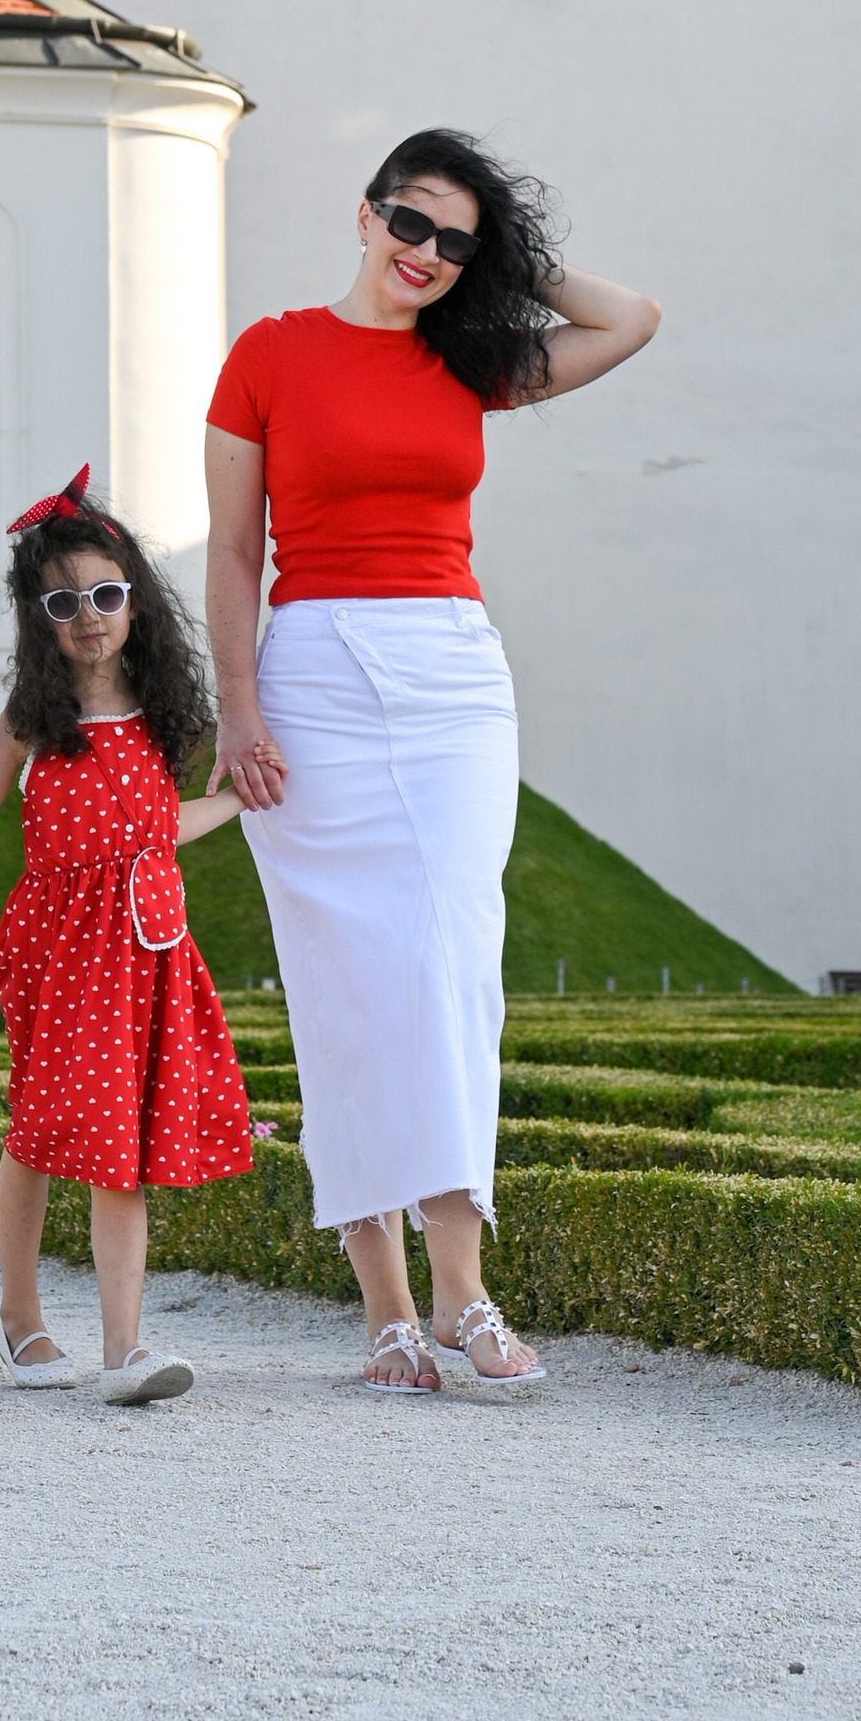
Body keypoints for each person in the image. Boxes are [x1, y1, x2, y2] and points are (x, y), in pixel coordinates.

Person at [205, 132, 660, 1396]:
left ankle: (463, 1290)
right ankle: (386, 1310)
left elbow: (632, 318)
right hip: (308, 670)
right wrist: (238, 710)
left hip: (453, 671)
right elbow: (236, 554)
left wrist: (508, 259)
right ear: (364, 212)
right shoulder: (270, 352)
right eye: (411, 222)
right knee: (344, 978)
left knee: (454, 957)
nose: (427, 253)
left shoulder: (474, 359)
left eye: (458, 240)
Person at [0, 467, 253, 1405]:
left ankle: (124, 1349)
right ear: (39, 617)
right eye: (66, 602)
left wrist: (233, 798)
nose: (90, 616)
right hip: (59, 955)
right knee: (42, 1131)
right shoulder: (30, 722)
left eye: (106, 594)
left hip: (149, 949)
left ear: (133, 600)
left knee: (121, 1141)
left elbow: (156, 828)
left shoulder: (164, 715)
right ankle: (22, 1320)